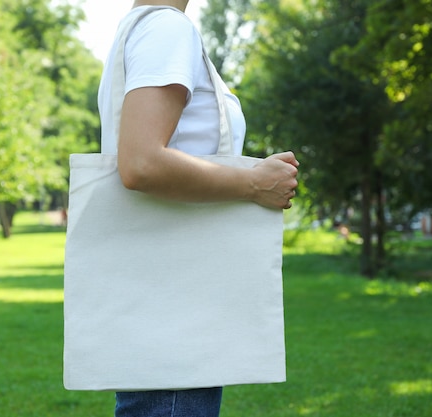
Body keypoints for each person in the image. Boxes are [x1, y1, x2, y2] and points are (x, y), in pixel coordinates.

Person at [97, 1, 300, 416]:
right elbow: (140, 163)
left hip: (158, 287)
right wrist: (254, 183)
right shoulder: (168, 30)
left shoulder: (140, 29)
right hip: (176, 297)